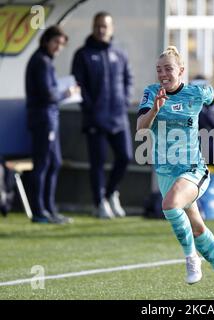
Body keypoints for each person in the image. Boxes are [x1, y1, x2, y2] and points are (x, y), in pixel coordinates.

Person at [136, 46, 214, 298]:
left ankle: (192, 259)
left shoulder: (196, 92)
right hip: (166, 172)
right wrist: (155, 109)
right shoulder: (151, 93)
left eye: (168, 69)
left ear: (181, 70)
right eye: (159, 70)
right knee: (198, 228)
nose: (163, 74)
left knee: (169, 205)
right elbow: (140, 128)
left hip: (193, 169)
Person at [72, 12, 133, 219]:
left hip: (118, 117)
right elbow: (78, 85)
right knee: (97, 163)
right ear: (93, 26)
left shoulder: (120, 53)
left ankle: (110, 193)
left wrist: (124, 101)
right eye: (97, 26)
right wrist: (90, 107)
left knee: (125, 157)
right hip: (95, 118)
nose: (101, 30)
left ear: (111, 28)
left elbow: (128, 79)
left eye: (104, 26)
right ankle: (99, 203)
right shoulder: (83, 54)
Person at [25, 25, 78, 224]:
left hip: (49, 118)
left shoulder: (45, 61)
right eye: (56, 42)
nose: (59, 47)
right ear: (47, 40)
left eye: (61, 44)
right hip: (43, 120)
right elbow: (48, 94)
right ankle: (40, 211)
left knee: (53, 162)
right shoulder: (41, 62)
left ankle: (49, 209)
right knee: (43, 164)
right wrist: (66, 94)